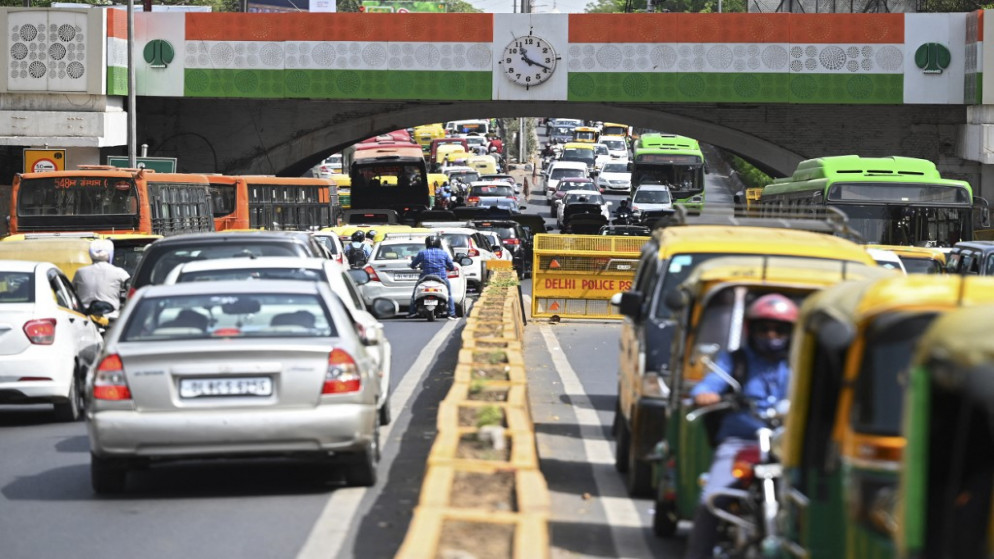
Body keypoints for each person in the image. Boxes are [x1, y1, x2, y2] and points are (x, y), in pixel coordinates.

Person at [684, 293, 798, 559]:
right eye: (764, 328)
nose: (771, 335)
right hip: (741, 444)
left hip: (788, 447)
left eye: (779, 329)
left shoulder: (799, 364)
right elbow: (710, 384)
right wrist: (705, 394)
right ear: (751, 329)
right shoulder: (735, 360)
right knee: (711, 500)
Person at [73, 238, 130, 314]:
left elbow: (72, 291)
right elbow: (131, 291)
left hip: (85, 315)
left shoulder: (80, 272)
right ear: (111, 254)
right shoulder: (120, 273)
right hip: (111, 316)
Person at [407, 236, 457, 319]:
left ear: (426, 243)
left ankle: (412, 312)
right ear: (438, 243)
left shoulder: (422, 253)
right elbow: (451, 266)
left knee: (414, 294)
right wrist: (449, 268)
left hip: (425, 278)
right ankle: (451, 313)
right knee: (449, 295)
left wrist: (416, 266)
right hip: (441, 278)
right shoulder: (443, 253)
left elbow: (413, 265)